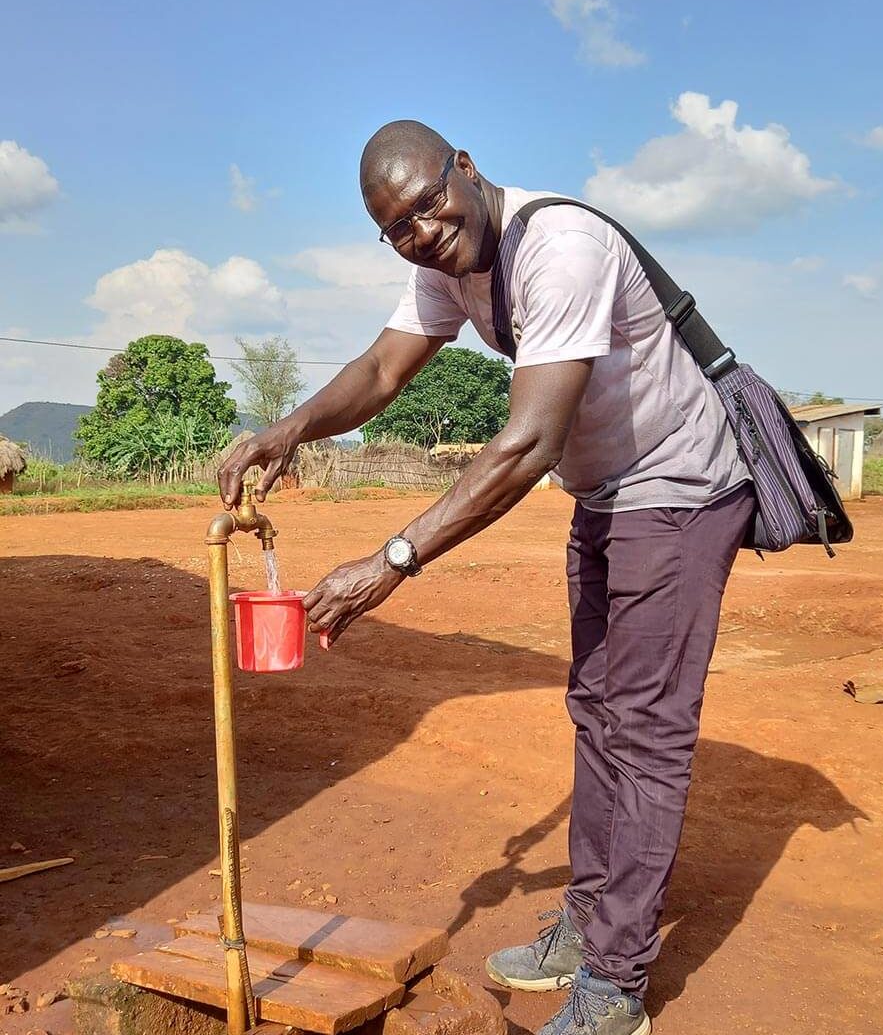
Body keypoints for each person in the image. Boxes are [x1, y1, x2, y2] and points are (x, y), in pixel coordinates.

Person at [218, 120, 753, 1035]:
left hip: (681, 486)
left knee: (650, 728)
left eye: (428, 203)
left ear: (464, 167)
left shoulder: (560, 250)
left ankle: (618, 982)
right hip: (608, 491)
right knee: (597, 706)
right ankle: (587, 921)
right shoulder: (446, 267)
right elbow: (384, 367)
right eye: (397, 227)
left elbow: (527, 445)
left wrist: (390, 562)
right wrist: (286, 430)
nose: (422, 230)